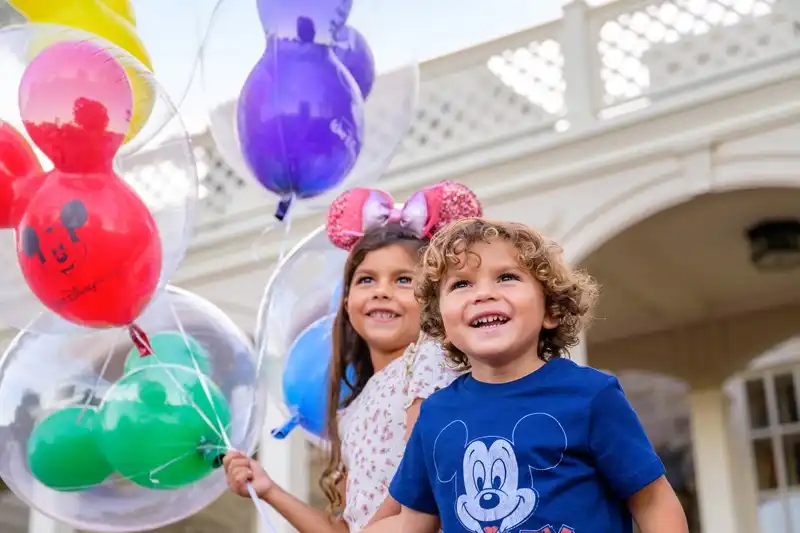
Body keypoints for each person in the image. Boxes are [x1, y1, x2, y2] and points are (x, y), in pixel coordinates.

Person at [368, 218, 688, 533]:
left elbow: (652, 502)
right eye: (461, 284)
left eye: (506, 277)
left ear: (550, 310)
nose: (483, 294)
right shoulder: (434, 416)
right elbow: (413, 524)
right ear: (442, 324)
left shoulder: (590, 395)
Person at [223, 181, 483, 533]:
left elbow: (421, 482)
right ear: (345, 302)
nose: (381, 292)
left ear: (433, 297)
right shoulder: (353, 411)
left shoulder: (429, 362)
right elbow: (345, 529)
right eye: (365, 280)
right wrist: (268, 490)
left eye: (403, 280)